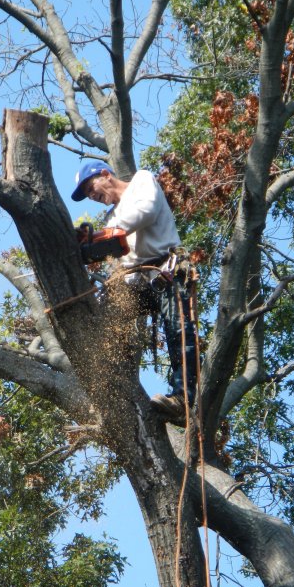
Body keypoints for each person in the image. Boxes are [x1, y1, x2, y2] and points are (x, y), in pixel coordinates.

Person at [71, 161, 197, 423]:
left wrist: (104, 234)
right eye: (86, 194)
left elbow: (146, 212)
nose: (92, 196)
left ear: (105, 174)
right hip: (136, 283)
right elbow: (109, 248)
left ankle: (183, 399)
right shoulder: (111, 218)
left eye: (90, 187)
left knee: (178, 330)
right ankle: (106, 393)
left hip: (165, 270)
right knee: (105, 327)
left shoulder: (141, 181)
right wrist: (83, 242)